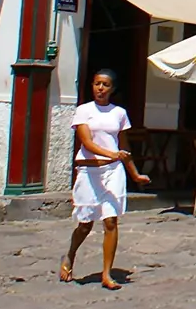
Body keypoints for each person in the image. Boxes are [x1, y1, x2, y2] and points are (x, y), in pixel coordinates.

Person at [61, 69, 148, 289]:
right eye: (97, 84)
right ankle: (70, 255)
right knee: (85, 224)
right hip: (89, 172)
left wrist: (134, 173)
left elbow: (123, 146)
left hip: (113, 171)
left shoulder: (119, 113)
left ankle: (107, 274)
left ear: (112, 89)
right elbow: (87, 143)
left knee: (111, 221)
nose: (101, 88)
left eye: (106, 85)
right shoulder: (84, 111)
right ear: (92, 85)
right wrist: (112, 154)